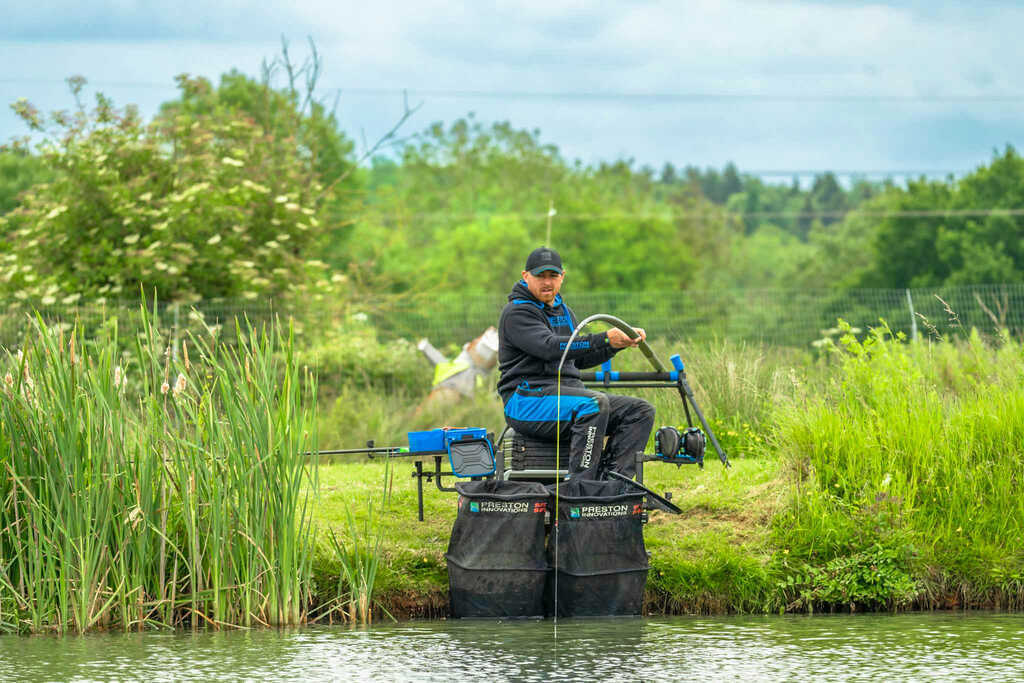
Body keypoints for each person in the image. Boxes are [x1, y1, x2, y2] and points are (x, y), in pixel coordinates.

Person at [496, 246, 655, 480]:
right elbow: (549, 347)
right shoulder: (516, 313)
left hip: (566, 395)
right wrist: (604, 338)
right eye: (540, 276)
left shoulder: (565, 312)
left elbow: (578, 359)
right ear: (525, 276)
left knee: (640, 411)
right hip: (526, 400)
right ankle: (580, 486)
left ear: (562, 277)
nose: (547, 282)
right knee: (593, 404)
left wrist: (615, 345)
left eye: (553, 276)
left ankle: (614, 483)